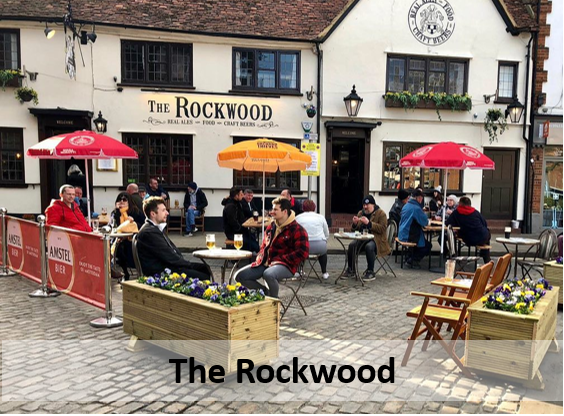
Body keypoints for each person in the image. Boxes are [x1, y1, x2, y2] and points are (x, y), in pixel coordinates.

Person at [235, 198, 309, 298]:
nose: (272, 212)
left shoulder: (297, 229)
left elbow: (303, 252)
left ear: (285, 212)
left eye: (275, 210)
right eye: (272, 209)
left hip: (286, 265)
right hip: (265, 262)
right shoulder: (271, 226)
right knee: (239, 276)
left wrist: (282, 259)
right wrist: (260, 256)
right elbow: (263, 246)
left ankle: (274, 303)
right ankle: (266, 293)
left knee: (268, 274)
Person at [136, 197, 211, 279]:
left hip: (169, 266)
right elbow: (169, 256)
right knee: (203, 276)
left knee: (205, 268)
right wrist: (187, 264)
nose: (167, 213)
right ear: (153, 214)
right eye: (163, 210)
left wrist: (185, 263)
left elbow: (172, 251)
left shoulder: (155, 228)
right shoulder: (149, 232)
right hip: (161, 273)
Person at [343, 195, 391, 281]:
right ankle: (351, 269)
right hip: (362, 239)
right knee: (351, 245)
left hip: (377, 240)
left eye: (367, 205)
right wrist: (354, 223)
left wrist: (369, 223)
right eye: (364, 205)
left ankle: (370, 271)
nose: (365, 207)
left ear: (373, 205)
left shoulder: (381, 214)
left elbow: (382, 229)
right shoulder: (361, 213)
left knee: (369, 247)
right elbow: (354, 230)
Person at [446, 196, 491, 263]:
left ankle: (454, 256)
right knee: (486, 232)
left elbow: (448, 223)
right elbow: (484, 223)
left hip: (469, 238)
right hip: (482, 237)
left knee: (456, 235)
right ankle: (486, 258)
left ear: (460, 204)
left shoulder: (457, 212)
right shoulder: (476, 212)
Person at [111, 192, 145, 281]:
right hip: (120, 239)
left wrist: (132, 222)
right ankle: (123, 272)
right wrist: (117, 212)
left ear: (129, 201)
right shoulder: (115, 213)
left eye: (124, 200)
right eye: (119, 199)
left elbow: (142, 226)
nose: (122, 201)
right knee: (115, 248)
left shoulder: (135, 212)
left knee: (123, 248)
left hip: (133, 239)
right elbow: (114, 226)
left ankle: (127, 273)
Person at [295, 200, 330, 280]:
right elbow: (326, 233)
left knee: (299, 250)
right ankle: (324, 272)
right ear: (314, 208)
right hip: (319, 245)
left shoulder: (298, 218)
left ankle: (298, 271)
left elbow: (294, 233)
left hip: (303, 246)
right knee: (323, 253)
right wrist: (324, 240)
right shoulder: (321, 217)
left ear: (303, 208)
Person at [398, 189, 431, 268]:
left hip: (402, 232)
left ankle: (409, 257)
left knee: (422, 243)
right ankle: (412, 260)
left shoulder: (407, 205)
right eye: (421, 198)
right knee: (427, 246)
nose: (422, 199)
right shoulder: (416, 208)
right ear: (418, 198)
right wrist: (428, 221)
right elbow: (424, 222)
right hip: (409, 235)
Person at [222, 187, 259, 252]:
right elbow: (233, 223)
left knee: (252, 237)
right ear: (236, 196)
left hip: (239, 230)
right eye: (241, 194)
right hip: (233, 233)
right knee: (251, 242)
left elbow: (241, 217)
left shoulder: (237, 203)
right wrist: (242, 228)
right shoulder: (231, 206)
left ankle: (258, 253)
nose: (242, 196)